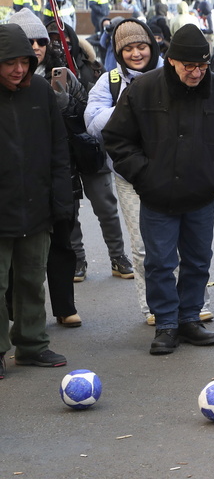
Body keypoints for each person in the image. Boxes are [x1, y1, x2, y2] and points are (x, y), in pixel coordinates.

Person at [103, 25, 214, 355]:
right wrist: (144, 174)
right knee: (159, 262)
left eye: (202, 66)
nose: (197, 73)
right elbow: (116, 138)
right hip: (157, 195)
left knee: (198, 261)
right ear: (171, 62)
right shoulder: (143, 90)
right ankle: (166, 323)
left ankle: (189, 318)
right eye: (189, 66)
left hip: (201, 193)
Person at [0, 24, 72, 377]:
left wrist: (62, 201)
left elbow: (59, 148)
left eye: (24, 62)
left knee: (31, 279)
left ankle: (31, 344)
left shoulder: (40, 91)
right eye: (9, 62)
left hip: (36, 206)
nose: (18, 69)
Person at [85, 19, 166, 325]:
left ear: (152, 46)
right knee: (144, 247)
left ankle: (194, 302)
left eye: (141, 46)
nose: (136, 53)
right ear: (119, 52)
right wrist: (129, 102)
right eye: (128, 48)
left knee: (180, 243)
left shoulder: (170, 72)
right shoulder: (111, 82)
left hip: (173, 174)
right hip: (128, 177)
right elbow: (92, 124)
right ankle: (153, 308)